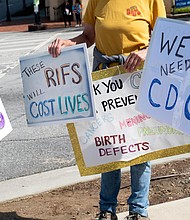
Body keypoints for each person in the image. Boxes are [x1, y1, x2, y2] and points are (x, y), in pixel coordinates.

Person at [48, 0, 166, 219]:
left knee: (140, 146)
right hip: (105, 82)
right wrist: (66, 43)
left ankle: (139, 211)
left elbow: (163, 38)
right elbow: (88, 37)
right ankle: (107, 209)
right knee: (109, 145)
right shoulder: (96, 1)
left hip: (138, 79)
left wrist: (144, 53)